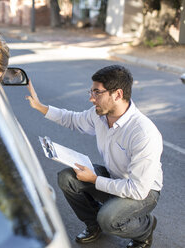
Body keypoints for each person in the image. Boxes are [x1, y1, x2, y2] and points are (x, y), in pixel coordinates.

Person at [26, 65, 163, 248]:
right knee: (67, 178)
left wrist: (95, 180)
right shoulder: (99, 115)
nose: (91, 99)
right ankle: (94, 224)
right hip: (114, 178)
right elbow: (73, 119)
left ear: (117, 94)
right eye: (91, 92)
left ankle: (145, 228)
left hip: (143, 192)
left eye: (97, 93)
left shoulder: (143, 133)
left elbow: (138, 189)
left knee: (109, 218)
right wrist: (40, 107)